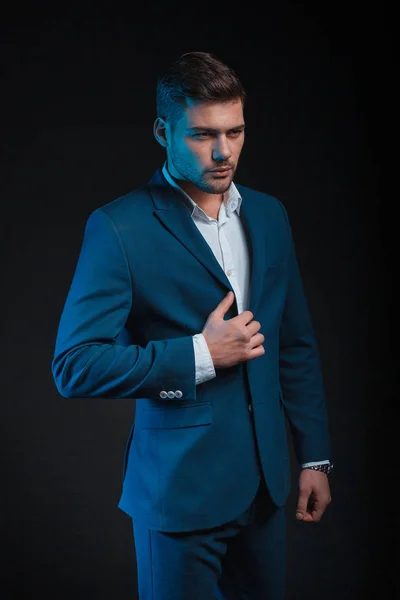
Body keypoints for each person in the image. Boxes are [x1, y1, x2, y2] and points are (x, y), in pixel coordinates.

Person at [52, 51, 333, 600]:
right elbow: (74, 365)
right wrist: (202, 354)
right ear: (163, 130)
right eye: (203, 135)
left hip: (266, 489)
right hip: (178, 494)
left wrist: (314, 455)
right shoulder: (118, 227)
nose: (224, 151)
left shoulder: (270, 215)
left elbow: (294, 343)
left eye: (236, 131)